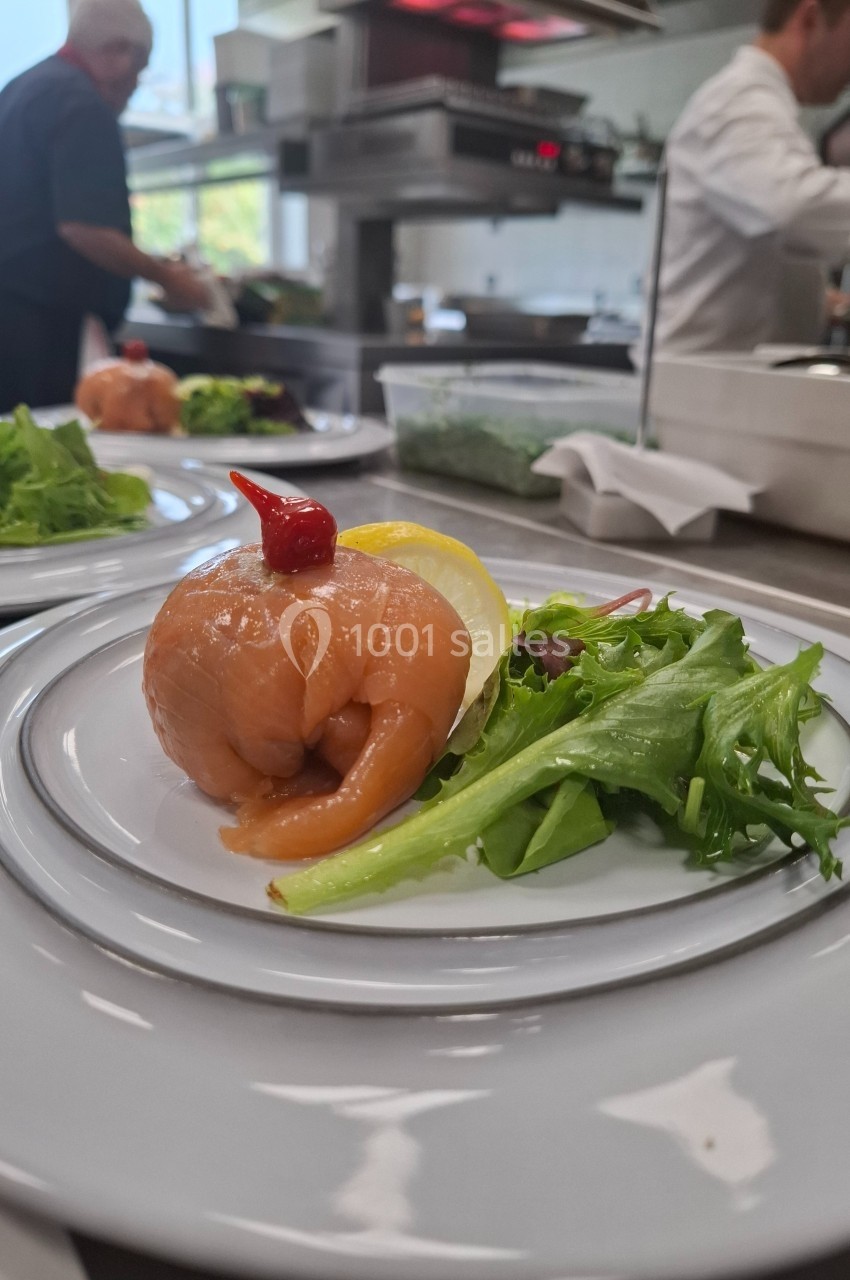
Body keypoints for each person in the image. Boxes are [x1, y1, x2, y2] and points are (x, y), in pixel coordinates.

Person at [0, 0, 208, 412]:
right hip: (33, 321)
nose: (135, 84)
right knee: (37, 444)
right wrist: (167, 276)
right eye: (139, 68)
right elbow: (84, 226)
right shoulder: (80, 100)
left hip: (13, 309)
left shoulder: (23, 88)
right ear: (118, 51)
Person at [656, 0, 850, 354]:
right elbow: (793, 208)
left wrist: (825, 304)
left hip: (731, 386)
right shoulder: (739, 100)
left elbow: (751, 262)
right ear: (809, 18)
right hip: (704, 392)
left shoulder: (765, 107)